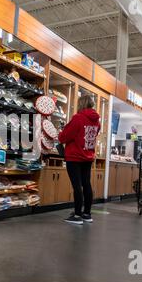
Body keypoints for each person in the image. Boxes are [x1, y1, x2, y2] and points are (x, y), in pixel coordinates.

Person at [58, 95, 101, 225]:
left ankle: (77, 215)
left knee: (77, 186)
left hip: (75, 156)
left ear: (81, 104)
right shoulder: (96, 121)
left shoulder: (78, 118)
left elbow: (64, 137)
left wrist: (60, 133)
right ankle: (87, 214)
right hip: (88, 157)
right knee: (86, 184)